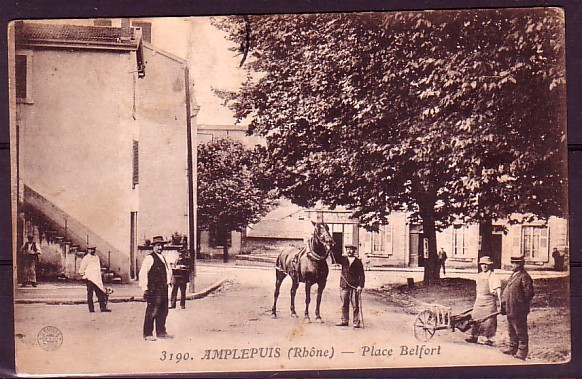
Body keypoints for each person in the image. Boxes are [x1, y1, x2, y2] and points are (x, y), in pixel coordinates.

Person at [139, 236, 173, 341]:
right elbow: (143, 274)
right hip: (154, 289)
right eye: (158, 245)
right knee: (152, 311)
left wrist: (169, 281)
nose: (160, 248)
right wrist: (145, 288)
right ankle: (148, 333)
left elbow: (167, 271)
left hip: (164, 288)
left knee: (163, 311)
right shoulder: (149, 258)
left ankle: (161, 332)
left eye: (161, 245)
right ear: (153, 246)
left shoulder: (163, 257)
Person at [500, 255, 535, 360]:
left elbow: (529, 294)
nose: (512, 265)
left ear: (520, 265)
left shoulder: (524, 276)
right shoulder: (514, 275)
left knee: (520, 330)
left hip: (519, 309)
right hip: (510, 307)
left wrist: (520, 303)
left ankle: (522, 352)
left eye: (515, 263)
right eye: (512, 263)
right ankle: (513, 348)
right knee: (511, 330)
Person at [465, 256, 500, 345]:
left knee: (489, 320)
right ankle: (474, 336)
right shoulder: (479, 276)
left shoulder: (493, 276)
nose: (484, 266)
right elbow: (478, 288)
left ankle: (488, 338)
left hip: (489, 301)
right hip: (480, 300)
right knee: (475, 316)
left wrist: (500, 301)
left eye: (486, 264)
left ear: (490, 266)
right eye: (482, 264)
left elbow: (498, 290)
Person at [336, 244, 365, 328]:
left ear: (354, 251)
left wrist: (360, 286)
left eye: (351, 249)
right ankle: (344, 321)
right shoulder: (343, 259)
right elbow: (334, 256)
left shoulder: (358, 261)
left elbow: (362, 275)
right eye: (347, 249)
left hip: (354, 287)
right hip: (344, 285)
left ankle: (356, 322)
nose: (349, 251)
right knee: (344, 304)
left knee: (355, 305)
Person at [78, 246, 111, 313]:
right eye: (90, 249)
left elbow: (98, 267)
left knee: (100, 294)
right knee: (90, 294)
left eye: (93, 249)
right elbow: (82, 268)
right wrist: (84, 275)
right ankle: (91, 309)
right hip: (90, 278)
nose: (92, 251)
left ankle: (103, 307)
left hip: (97, 279)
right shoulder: (86, 258)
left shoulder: (96, 257)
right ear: (88, 250)